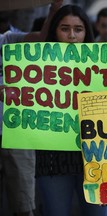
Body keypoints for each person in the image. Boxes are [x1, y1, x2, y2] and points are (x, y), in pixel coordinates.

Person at [35, 4, 107, 216]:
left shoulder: (106, 67)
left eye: (78, 29)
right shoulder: (36, 66)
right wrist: (13, 94)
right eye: (65, 29)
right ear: (54, 32)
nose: (72, 35)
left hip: (96, 156)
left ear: (87, 32)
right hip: (52, 159)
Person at [0, 1, 63, 216]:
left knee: (23, 203)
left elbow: (41, 39)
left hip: (16, 132)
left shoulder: (8, 39)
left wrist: (54, 9)